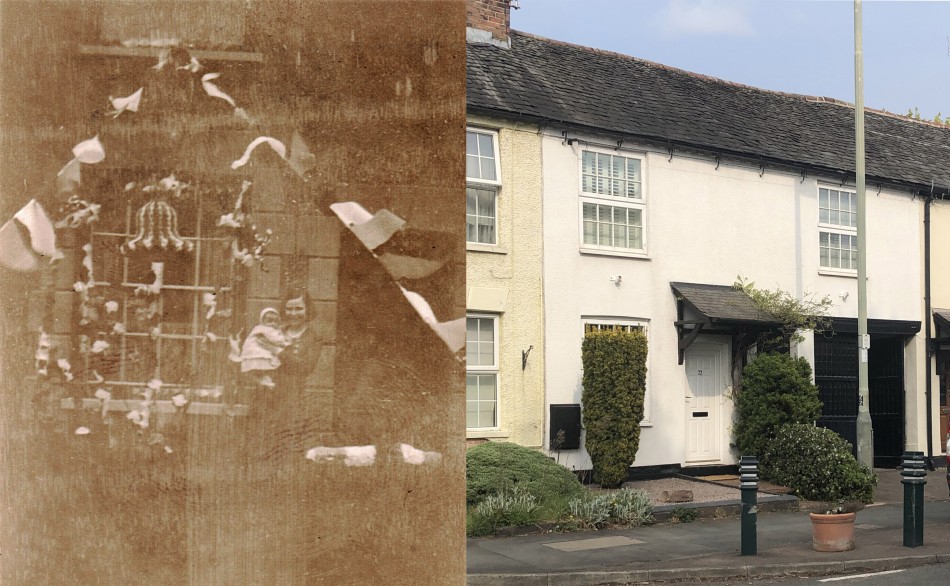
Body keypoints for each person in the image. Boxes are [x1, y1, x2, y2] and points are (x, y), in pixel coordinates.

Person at [278, 288, 324, 388]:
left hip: (296, 391)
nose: (293, 313)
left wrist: (277, 351)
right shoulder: (276, 333)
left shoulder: (314, 337)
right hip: (268, 390)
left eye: (298, 309)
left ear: (308, 309)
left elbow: (305, 368)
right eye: (289, 309)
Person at [240, 307, 289, 388]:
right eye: (269, 321)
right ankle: (264, 380)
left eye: (275, 321)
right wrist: (285, 342)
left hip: (252, 352)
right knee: (266, 366)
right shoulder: (265, 328)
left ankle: (264, 380)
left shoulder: (259, 327)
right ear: (263, 321)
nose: (272, 324)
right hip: (257, 353)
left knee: (259, 371)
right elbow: (274, 339)